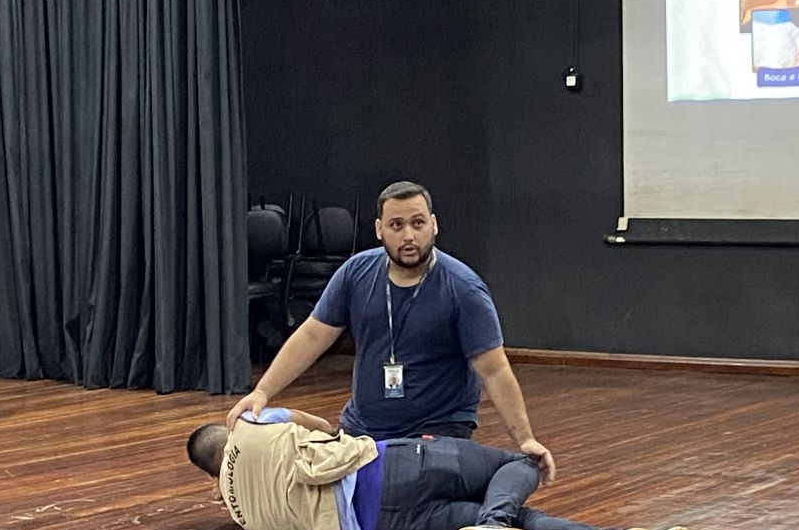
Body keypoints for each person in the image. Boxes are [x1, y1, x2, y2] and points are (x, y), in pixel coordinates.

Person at [226, 181, 555, 481]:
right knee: (301, 481)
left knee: (400, 496)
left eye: (418, 223)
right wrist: (262, 392)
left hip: (434, 433)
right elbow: (312, 336)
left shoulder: (464, 289)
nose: (408, 236)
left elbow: (494, 370)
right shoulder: (355, 273)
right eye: (397, 225)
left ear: (434, 225)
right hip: (363, 429)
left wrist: (525, 439)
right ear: (379, 230)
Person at [187, 409, 694, 530]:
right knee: (520, 464)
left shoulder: (239, 513)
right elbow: (321, 425)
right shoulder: (253, 426)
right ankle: (496, 525)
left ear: (211, 474)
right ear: (225, 433)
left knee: (519, 522)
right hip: (389, 469)